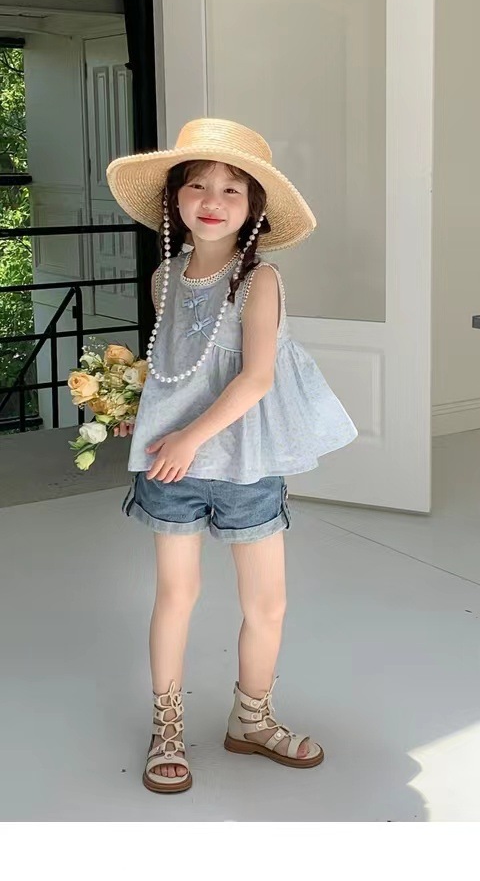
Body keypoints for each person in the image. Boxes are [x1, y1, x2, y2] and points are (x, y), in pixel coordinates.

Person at [106, 118, 357, 793]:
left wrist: (190, 437)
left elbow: (256, 378)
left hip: (245, 463)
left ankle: (251, 719)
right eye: (197, 185)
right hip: (173, 466)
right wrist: (138, 406)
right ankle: (167, 726)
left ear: (253, 209)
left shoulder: (260, 280)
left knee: (267, 602)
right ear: (174, 199)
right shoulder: (165, 278)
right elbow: (175, 365)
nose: (212, 201)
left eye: (231, 190)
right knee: (175, 595)